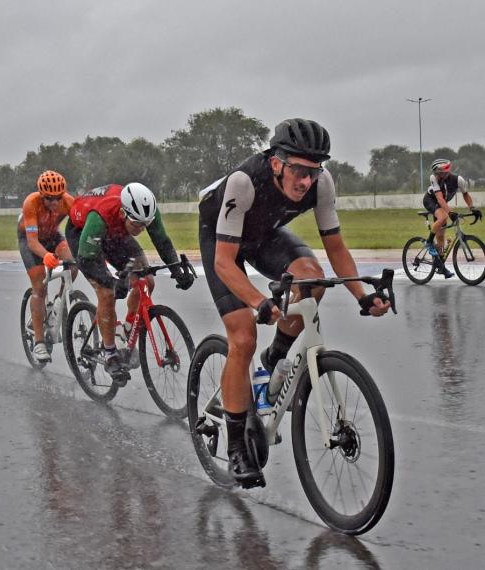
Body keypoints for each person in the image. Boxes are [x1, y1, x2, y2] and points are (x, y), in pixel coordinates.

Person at [197, 118, 391, 488]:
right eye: (299, 170)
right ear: (276, 163)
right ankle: (237, 446)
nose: (306, 180)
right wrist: (259, 303)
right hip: (221, 241)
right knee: (242, 337)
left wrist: (363, 296)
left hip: (264, 234)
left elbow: (335, 246)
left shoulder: (321, 184)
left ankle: (273, 361)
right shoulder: (243, 183)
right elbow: (224, 262)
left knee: (311, 279)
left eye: (314, 171)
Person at [66, 182, 194, 381]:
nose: (142, 230)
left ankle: (125, 330)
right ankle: (110, 353)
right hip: (83, 236)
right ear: (124, 213)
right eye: (137, 225)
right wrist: (111, 281)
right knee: (107, 292)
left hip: (116, 232)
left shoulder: (145, 213)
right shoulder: (101, 216)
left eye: (145, 225)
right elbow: (86, 259)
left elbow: (163, 242)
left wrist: (177, 271)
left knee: (147, 280)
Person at [18, 170, 77, 363]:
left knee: (73, 262)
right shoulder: (31, 203)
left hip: (52, 236)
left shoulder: (68, 202)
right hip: (31, 241)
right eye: (49, 199)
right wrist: (46, 257)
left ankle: (59, 301)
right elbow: (33, 242)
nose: (54, 203)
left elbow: (80, 228)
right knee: (39, 286)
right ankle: (39, 342)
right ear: (41, 195)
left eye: (57, 198)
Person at [423, 159, 481, 278]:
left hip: (441, 204)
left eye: (439, 173)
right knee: (444, 217)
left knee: (441, 237)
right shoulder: (433, 178)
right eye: (436, 173)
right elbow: (439, 199)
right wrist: (450, 212)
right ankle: (428, 242)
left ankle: (440, 266)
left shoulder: (458, 180)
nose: (437, 176)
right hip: (430, 201)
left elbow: (465, 194)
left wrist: (472, 208)